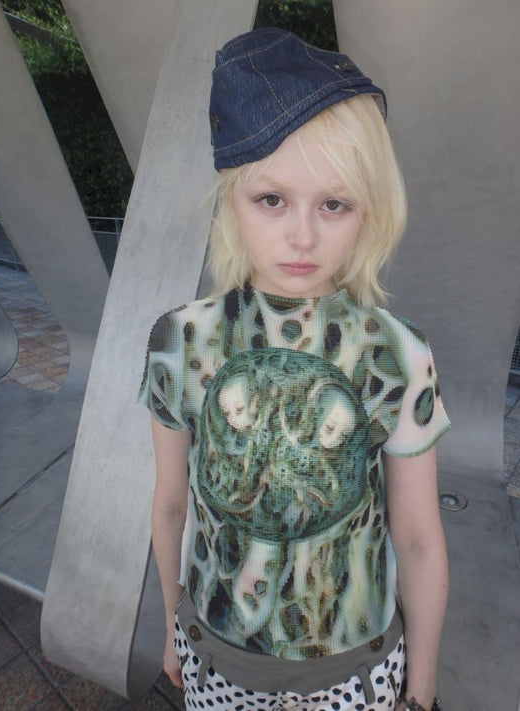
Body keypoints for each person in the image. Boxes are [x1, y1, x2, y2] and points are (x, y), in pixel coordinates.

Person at [139, 27, 450, 711]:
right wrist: (171, 629)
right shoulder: (181, 341)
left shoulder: (397, 352)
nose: (303, 236)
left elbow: (418, 536)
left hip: (355, 675)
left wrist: (421, 689)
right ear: (231, 195)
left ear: (370, 211)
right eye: (272, 199)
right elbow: (170, 505)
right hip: (213, 659)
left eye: (334, 203)